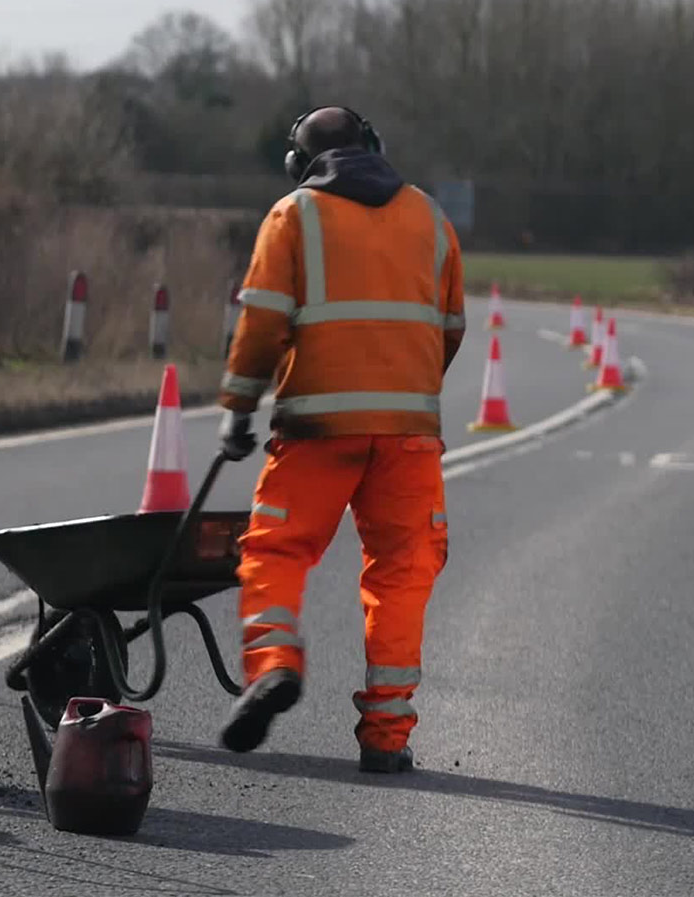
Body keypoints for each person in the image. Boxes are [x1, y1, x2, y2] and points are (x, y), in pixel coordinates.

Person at [215, 106, 465, 772]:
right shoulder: (431, 219)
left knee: (277, 549)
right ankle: (386, 736)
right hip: (408, 434)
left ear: (299, 164)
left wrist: (238, 407)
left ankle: (273, 663)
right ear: (375, 147)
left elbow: (262, 321)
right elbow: (451, 325)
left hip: (316, 427)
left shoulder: (292, 216)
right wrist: (404, 391)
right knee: (403, 573)